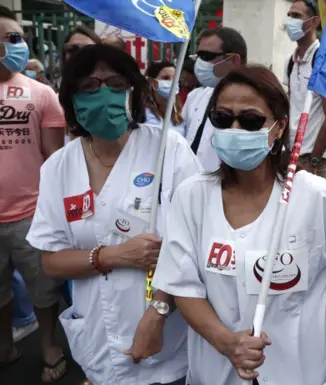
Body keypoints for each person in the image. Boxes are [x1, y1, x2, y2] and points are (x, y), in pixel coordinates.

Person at [151, 64, 326, 385]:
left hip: (299, 370)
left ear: (280, 127)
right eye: (223, 118)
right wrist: (227, 343)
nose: (236, 128)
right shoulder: (192, 196)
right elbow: (183, 286)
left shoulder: (312, 195)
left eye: (251, 120)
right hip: (216, 369)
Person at [25, 44, 202, 385]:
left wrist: (159, 312)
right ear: (72, 100)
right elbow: (51, 261)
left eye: (116, 84)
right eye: (89, 87)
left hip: (164, 333)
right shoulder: (59, 168)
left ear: (134, 92)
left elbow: (194, 241)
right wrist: (115, 255)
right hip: (97, 334)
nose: (103, 94)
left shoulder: (168, 149)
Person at [0, 6, 68, 382]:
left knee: (44, 291)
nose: (14, 45)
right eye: (6, 38)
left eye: (17, 38)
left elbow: (54, 160)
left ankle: (48, 344)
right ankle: (6, 346)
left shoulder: (42, 94)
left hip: (30, 215)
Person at [284, 0, 326, 181]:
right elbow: (291, 107)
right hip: (293, 155)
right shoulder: (291, 61)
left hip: (316, 160)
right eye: (290, 16)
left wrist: (313, 161)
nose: (291, 21)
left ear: (314, 22)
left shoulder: (323, 60)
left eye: (297, 16)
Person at [183, 27, 247, 171]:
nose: (200, 62)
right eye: (198, 56)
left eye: (206, 56)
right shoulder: (195, 96)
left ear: (233, 60)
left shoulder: (254, 102)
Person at [145, 60, 186, 137]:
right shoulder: (143, 114)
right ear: (152, 82)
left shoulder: (180, 114)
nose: (172, 82)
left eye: (175, 78)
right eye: (166, 78)